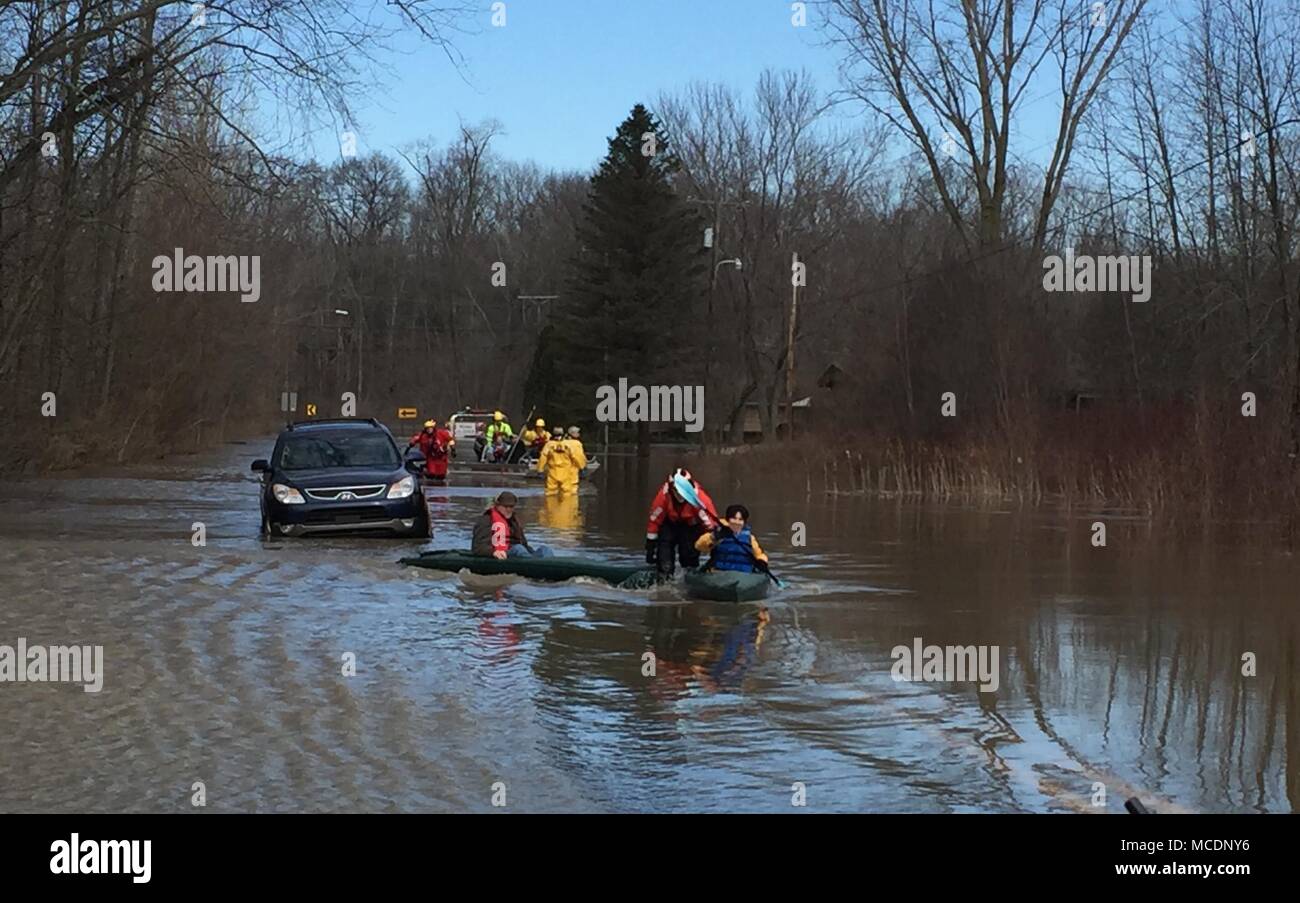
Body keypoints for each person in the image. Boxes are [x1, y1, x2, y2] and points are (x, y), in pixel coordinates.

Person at [645, 467, 717, 578]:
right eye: (676, 489)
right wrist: (650, 547)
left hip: (690, 527)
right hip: (669, 525)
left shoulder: (700, 499)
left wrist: (714, 549)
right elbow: (654, 521)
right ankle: (665, 574)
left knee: (688, 557)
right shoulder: (663, 497)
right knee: (664, 556)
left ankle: (690, 574)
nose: (679, 493)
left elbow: (710, 525)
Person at [471, 491, 554, 559]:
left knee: (545, 549)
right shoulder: (485, 520)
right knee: (518, 548)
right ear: (497, 506)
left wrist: (532, 552)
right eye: (505, 506)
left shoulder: (514, 521)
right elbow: (477, 548)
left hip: (518, 552)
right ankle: (534, 565)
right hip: (501, 554)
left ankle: (546, 565)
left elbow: (523, 544)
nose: (508, 509)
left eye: (511, 506)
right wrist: (493, 552)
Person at [694, 504, 769, 573]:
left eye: (740, 519)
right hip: (719, 573)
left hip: (743, 575)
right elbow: (698, 546)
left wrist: (762, 561)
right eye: (734, 518)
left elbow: (759, 554)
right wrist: (714, 537)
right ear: (728, 519)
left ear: (744, 522)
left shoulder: (750, 538)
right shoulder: (718, 534)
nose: (737, 522)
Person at [536, 425, 588, 494]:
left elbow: (543, 457)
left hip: (553, 474)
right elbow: (576, 456)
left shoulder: (548, 445)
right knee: (568, 494)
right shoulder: (568, 445)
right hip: (566, 474)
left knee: (550, 494)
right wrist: (582, 467)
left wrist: (540, 470)